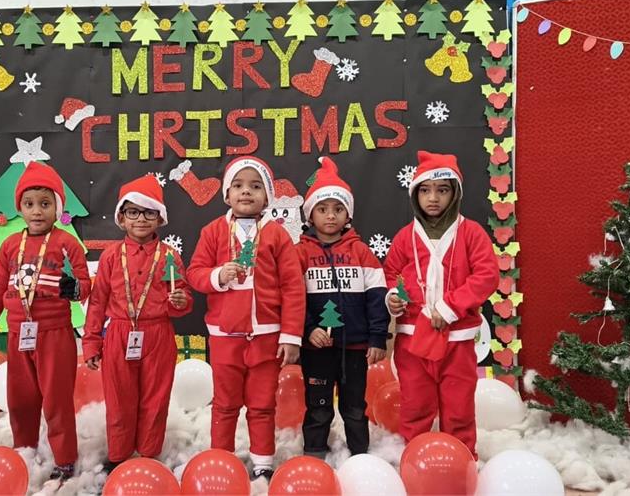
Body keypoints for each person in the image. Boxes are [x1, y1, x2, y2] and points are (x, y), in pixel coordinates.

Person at [187, 156, 305, 480]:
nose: (246, 192)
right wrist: (217, 276)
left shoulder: (278, 235)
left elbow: (293, 287)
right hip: (225, 336)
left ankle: (263, 462)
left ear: (267, 197)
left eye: (255, 186)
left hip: (267, 335)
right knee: (225, 404)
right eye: (238, 186)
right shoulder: (212, 232)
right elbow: (194, 273)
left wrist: (291, 335)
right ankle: (221, 460)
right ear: (227, 195)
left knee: (263, 403)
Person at [0, 161, 91, 482]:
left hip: (55, 335)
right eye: (29, 204)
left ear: (57, 207)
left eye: (45, 204)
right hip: (18, 334)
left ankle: (65, 459)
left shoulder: (67, 243)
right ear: (20, 208)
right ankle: (24, 451)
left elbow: (85, 283)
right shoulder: (10, 245)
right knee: (21, 398)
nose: (37, 211)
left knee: (57, 400)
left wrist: (75, 288)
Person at [383, 150, 499, 458]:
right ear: (415, 194)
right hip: (413, 338)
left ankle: (462, 458)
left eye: (442, 190)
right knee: (415, 403)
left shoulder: (471, 233)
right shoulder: (405, 237)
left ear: (455, 193)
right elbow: (391, 274)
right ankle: (415, 459)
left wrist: (450, 308)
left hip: (457, 339)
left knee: (458, 404)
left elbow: (486, 276)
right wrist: (393, 297)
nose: (433, 198)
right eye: (425, 190)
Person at [82, 174, 192, 474]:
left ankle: (148, 454)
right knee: (119, 398)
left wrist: (180, 301)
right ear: (121, 218)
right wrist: (91, 342)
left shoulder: (170, 256)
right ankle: (119, 455)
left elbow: (182, 300)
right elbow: (97, 302)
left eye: (149, 212)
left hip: (158, 334)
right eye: (133, 212)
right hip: (119, 333)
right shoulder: (110, 257)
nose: (141, 219)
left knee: (156, 398)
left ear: (160, 218)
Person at [296, 156, 390, 459]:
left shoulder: (361, 251)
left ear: (347, 213)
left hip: (355, 347)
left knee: (355, 406)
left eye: (338, 209)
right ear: (311, 215)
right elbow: (293, 298)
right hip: (316, 349)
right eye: (322, 209)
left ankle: (360, 457)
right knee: (318, 406)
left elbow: (377, 296)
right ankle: (314, 454)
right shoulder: (299, 254)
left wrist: (377, 338)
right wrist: (309, 330)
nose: (330, 215)